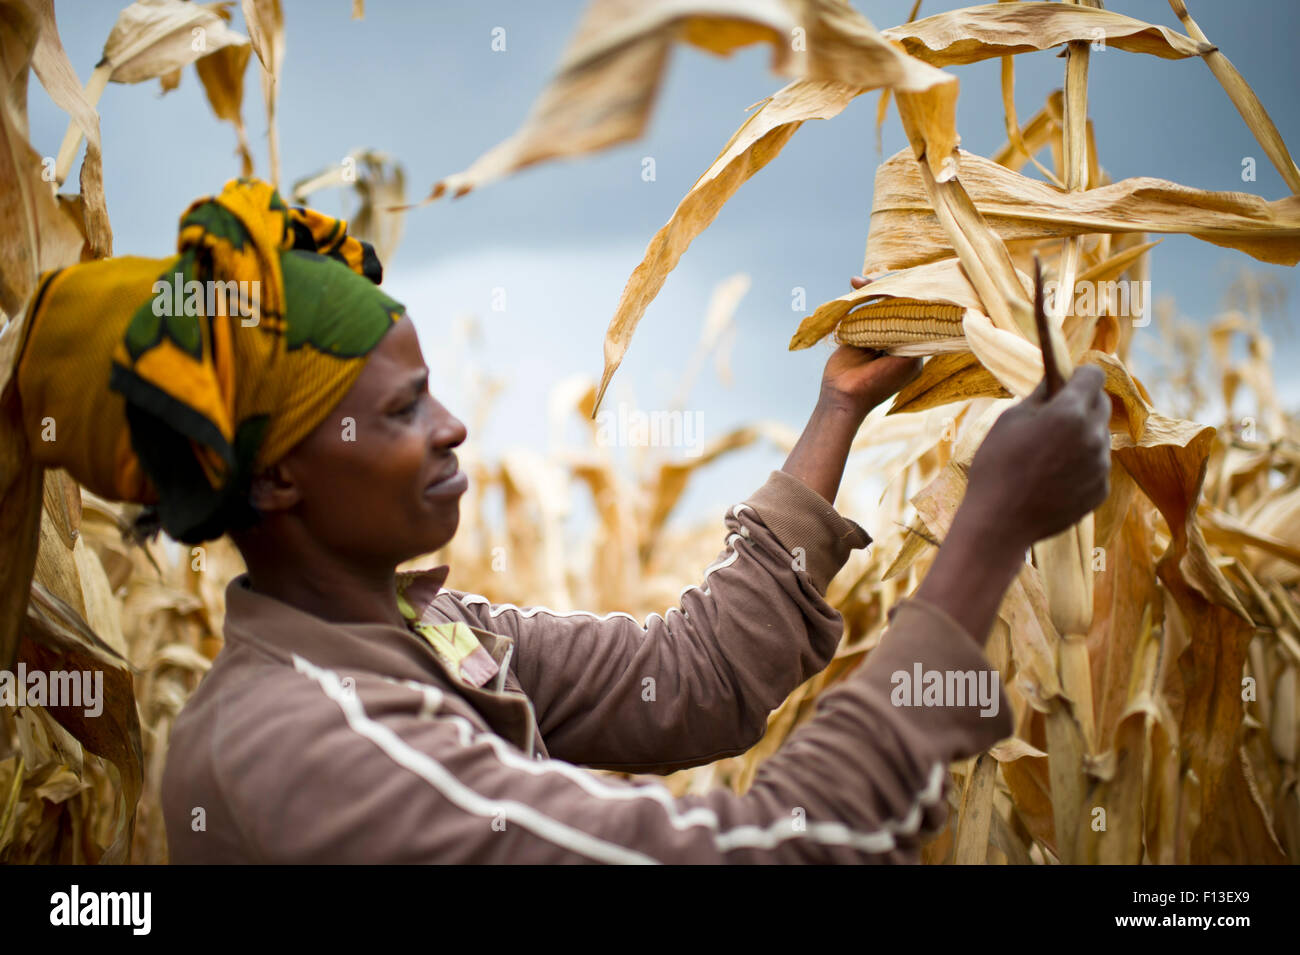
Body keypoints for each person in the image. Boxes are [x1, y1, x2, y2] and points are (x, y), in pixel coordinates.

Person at [11, 178, 1110, 864]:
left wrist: (838, 406)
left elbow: (699, 675)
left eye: (434, 391)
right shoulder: (301, 747)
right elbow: (779, 855)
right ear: (283, 480)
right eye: (402, 410)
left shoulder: (440, 639)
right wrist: (991, 530)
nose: (452, 431)